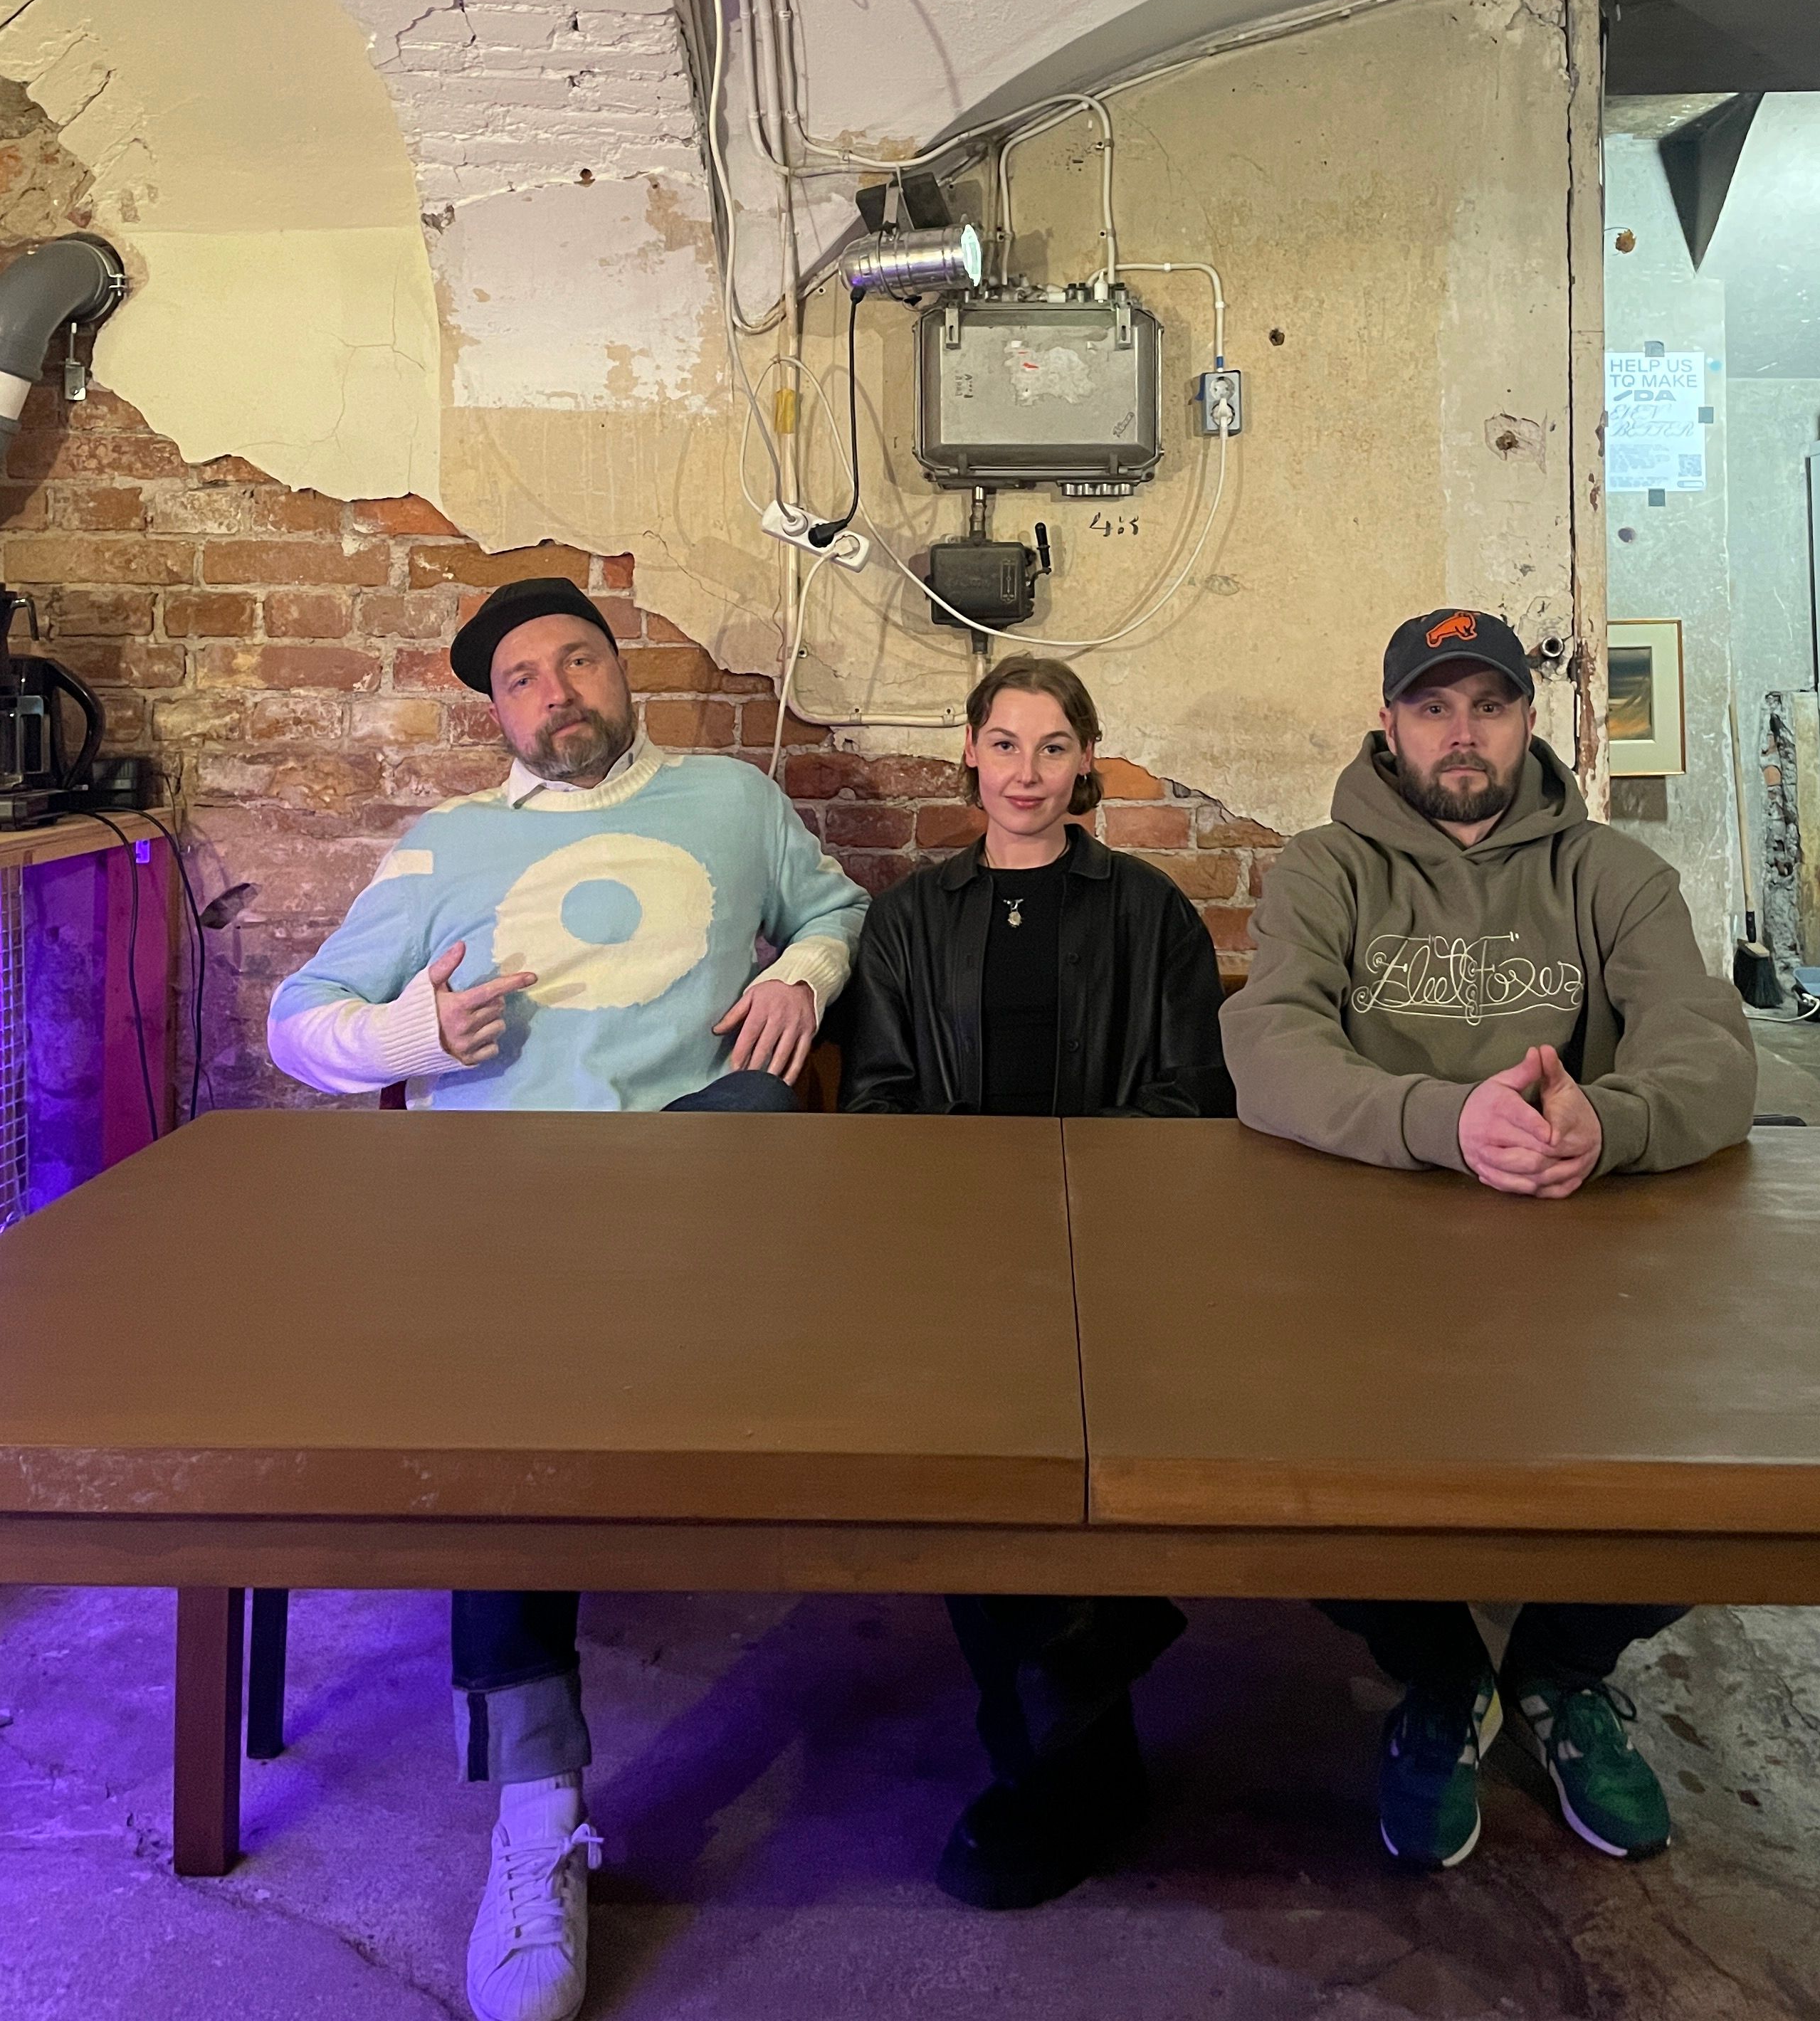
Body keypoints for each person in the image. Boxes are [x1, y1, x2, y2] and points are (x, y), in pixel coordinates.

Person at [269, 576, 866, 2021]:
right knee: (502, 1426)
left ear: (619, 670)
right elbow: (297, 1023)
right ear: (500, 713)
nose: (557, 694)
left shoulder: (732, 801)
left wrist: (802, 971)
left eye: (578, 661)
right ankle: (538, 1813)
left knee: (749, 1126)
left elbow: (839, 906)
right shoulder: (445, 845)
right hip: (504, 1233)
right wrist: (410, 1032)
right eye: (524, 680)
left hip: (699, 1210)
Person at [1221, 606, 1755, 1876]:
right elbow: (1270, 1049)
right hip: (1364, 1262)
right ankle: (1444, 1674)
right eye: (1434, 707)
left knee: (1722, 1472)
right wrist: (1443, 1118)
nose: (1463, 734)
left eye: (1491, 705)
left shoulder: (1614, 874)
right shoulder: (1325, 869)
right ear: (1390, 723)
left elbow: (1710, 1051)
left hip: (1580, 1259)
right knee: (1283, 1474)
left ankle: (1563, 1674)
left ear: (1528, 718)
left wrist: (1608, 1124)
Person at [838, 653, 1231, 1906]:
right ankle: (1087, 1715)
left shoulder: (1151, 913)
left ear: (1086, 764)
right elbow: (879, 1104)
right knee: (977, 1473)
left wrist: (1072, 1198)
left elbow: (1192, 1101)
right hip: (954, 1264)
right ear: (970, 753)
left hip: (1113, 1255)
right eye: (1004, 745)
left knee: (1048, 1465)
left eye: (1053, 747)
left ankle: (1056, 1771)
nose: (1026, 772)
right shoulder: (909, 920)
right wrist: (970, 1224)